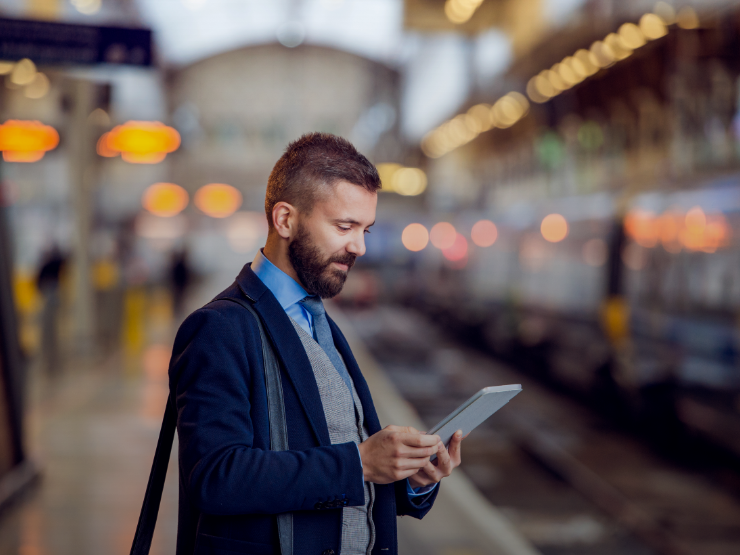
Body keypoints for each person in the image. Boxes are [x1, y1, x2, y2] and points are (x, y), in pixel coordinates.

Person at [169, 133, 465, 555]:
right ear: (285, 220)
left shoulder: (320, 320)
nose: (359, 246)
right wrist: (360, 461)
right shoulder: (219, 329)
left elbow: (339, 463)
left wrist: (408, 479)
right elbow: (216, 477)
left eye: (365, 229)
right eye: (344, 226)